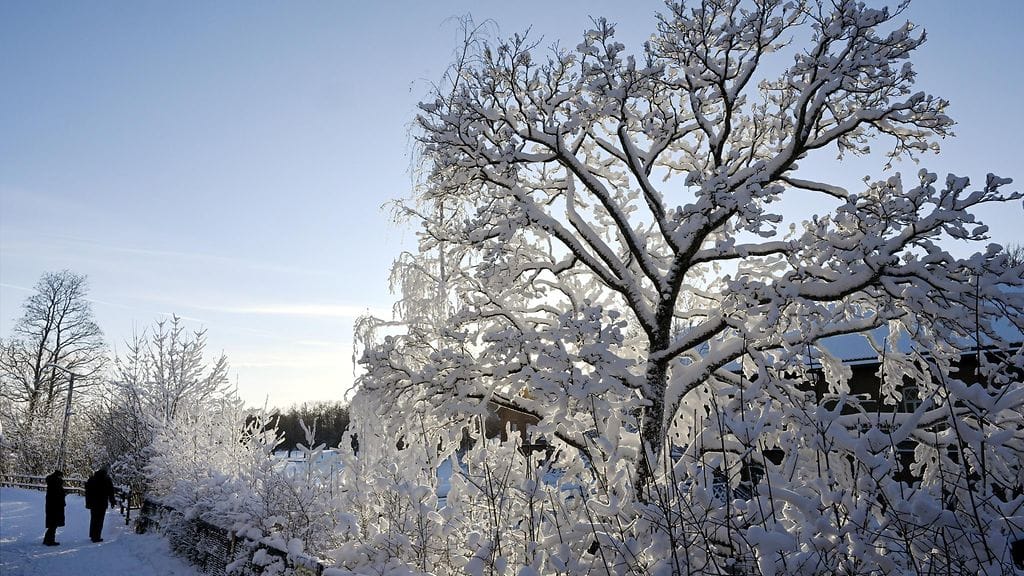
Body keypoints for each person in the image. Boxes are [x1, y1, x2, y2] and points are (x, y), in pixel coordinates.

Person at [84, 466, 117, 542]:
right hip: (102, 503)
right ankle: (97, 536)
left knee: (94, 519)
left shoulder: (92, 479)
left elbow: (87, 492)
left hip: (93, 503)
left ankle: (92, 535)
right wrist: (112, 501)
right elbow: (111, 492)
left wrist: (88, 503)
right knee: (100, 520)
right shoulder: (107, 479)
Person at [43, 470, 66, 546]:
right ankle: (50, 541)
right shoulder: (56, 484)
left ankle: (47, 539)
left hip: (52, 506)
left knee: (52, 524)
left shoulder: (52, 483)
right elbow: (58, 496)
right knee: (53, 525)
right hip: (56, 507)